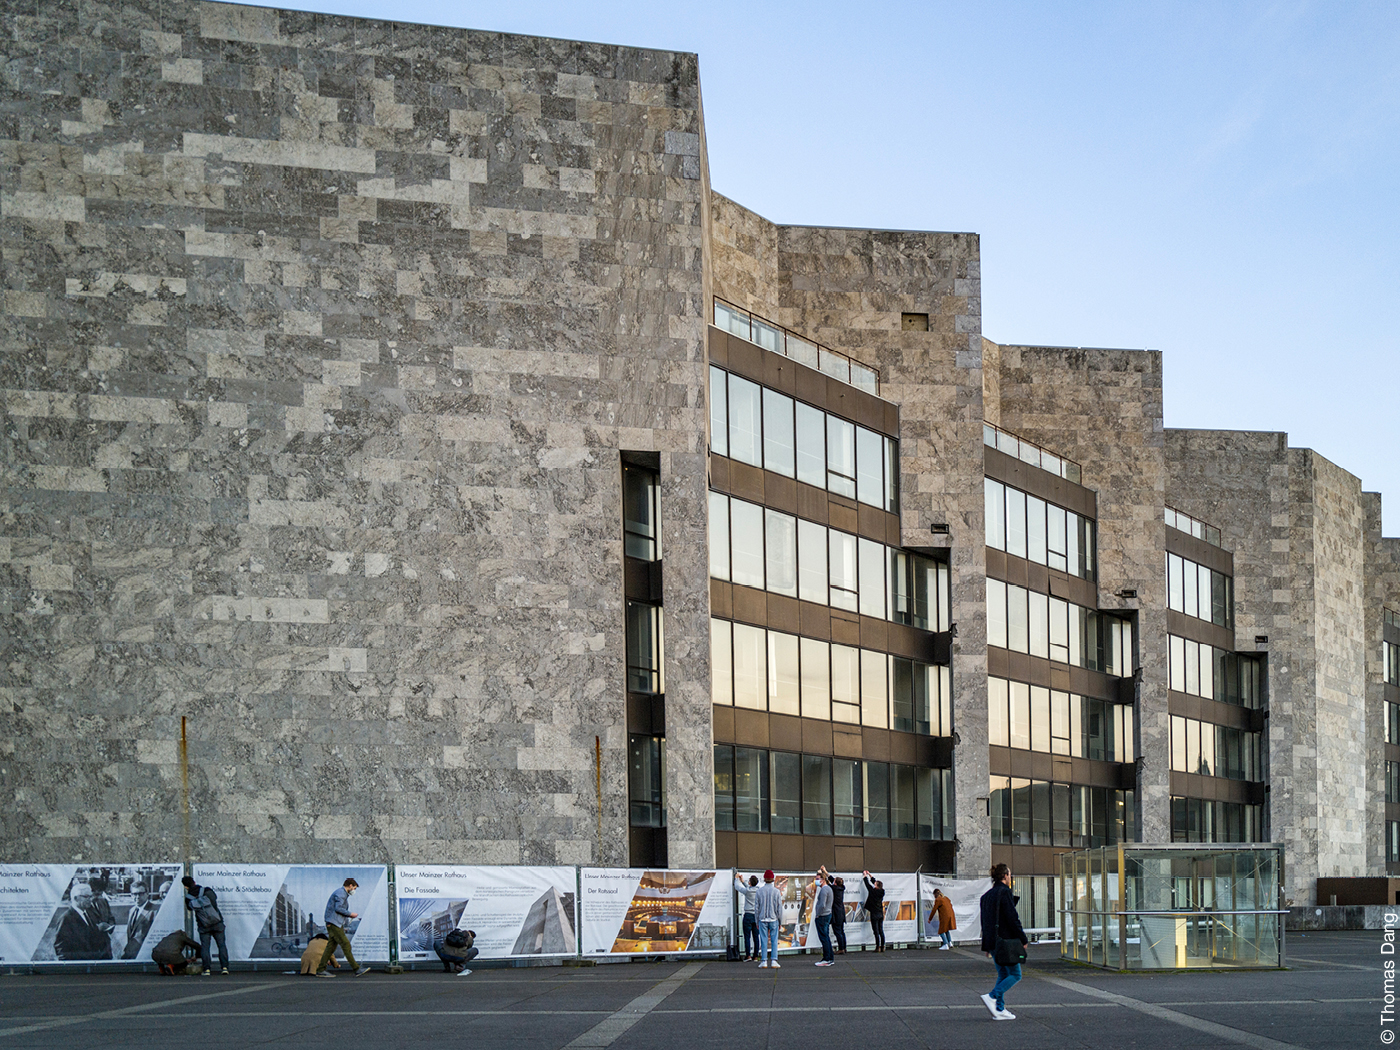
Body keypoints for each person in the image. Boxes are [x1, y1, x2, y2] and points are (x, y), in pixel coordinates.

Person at [979, 863, 1028, 1021]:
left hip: (993, 941)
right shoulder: (1004, 892)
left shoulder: (986, 896)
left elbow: (985, 921)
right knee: (1015, 974)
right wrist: (1023, 939)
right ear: (1005, 876)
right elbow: (1012, 918)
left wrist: (987, 944)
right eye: (1010, 874)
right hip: (1005, 941)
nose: (1010, 877)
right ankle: (992, 996)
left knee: (1003, 973)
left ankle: (999, 1009)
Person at [316, 878, 371, 977]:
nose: (354, 890)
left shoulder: (341, 893)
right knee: (346, 944)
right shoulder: (341, 893)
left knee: (331, 947)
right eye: (354, 888)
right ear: (350, 885)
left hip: (334, 923)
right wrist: (350, 914)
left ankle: (321, 969)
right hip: (334, 923)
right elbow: (338, 908)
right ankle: (356, 968)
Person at [181, 875, 229, 975]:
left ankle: (207, 969)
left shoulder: (188, 898)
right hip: (217, 922)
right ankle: (224, 968)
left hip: (203, 925)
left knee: (205, 947)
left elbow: (190, 909)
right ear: (194, 882)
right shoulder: (207, 890)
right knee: (221, 945)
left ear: (186, 887)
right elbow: (214, 900)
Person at [54, 881, 114, 960]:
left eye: (90, 896)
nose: (90, 899)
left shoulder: (88, 914)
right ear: (75, 898)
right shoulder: (66, 919)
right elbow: (61, 952)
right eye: (86, 897)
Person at [121, 884, 159, 959]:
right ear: (131, 895)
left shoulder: (154, 911)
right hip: (131, 954)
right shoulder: (132, 910)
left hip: (144, 955)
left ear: (147, 894)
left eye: (141, 894)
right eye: (135, 894)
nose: (137, 897)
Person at [754, 869, 782, 969]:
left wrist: (756, 920)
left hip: (762, 919)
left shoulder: (759, 891)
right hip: (774, 918)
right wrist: (780, 921)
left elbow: (756, 908)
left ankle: (764, 961)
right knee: (774, 940)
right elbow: (779, 907)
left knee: (763, 939)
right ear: (773, 879)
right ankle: (774, 960)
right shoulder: (777, 892)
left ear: (765, 879)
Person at [812, 868, 835, 966]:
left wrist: (818, 914)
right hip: (827, 914)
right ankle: (830, 958)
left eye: (818, 879)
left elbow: (822, 904)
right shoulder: (829, 888)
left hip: (823, 916)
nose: (816, 881)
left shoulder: (824, 890)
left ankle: (826, 958)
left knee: (824, 938)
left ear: (823, 880)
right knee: (826, 937)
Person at [734, 874, 760, 961]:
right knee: (756, 937)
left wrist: (736, 879)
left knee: (747, 936)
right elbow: (749, 887)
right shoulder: (759, 891)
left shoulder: (747, 891)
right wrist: (743, 881)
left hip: (748, 915)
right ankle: (755, 956)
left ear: (750, 882)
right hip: (756, 916)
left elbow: (738, 887)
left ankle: (748, 955)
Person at [861, 871, 886, 952]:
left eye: (875, 884)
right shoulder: (882, 892)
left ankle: (877, 946)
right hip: (880, 913)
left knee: (876, 931)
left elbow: (867, 884)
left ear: (876, 886)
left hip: (874, 913)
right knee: (881, 930)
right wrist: (869, 875)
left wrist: (865, 876)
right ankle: (883, 946)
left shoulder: (873, 891)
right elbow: (873, 883)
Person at [830, 876, 847, 955]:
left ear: (835, 883)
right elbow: (833, 880)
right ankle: (844, 947)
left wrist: (822, 873)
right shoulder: (841, 888)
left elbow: (826, 884)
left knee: (837, 931)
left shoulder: (834, 889)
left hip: (836, 913)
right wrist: (825, 872)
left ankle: (841, 948)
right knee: (841, 931)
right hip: (841, 912)